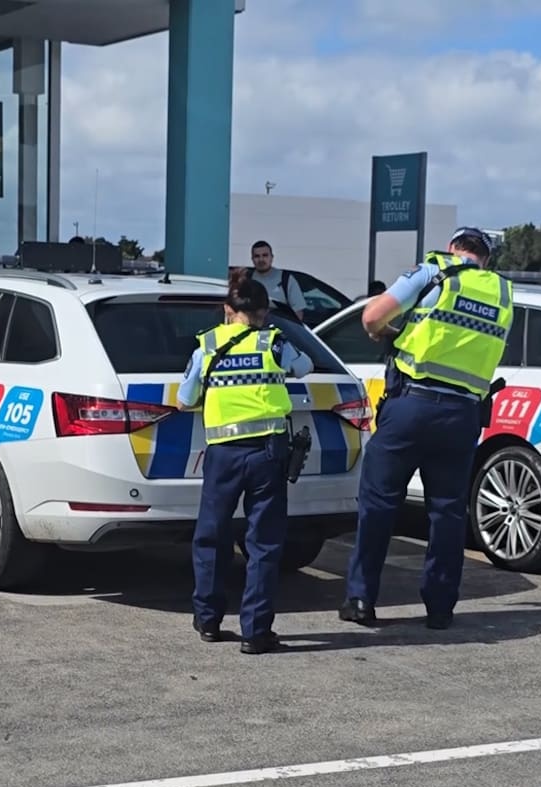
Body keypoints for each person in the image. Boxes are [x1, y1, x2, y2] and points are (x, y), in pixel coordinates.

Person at [339, 227, 511, 630]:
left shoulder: (434, 271)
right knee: (447, 513)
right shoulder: (503, 293)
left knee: (379, 505)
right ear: (484, 258)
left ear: (454, 249)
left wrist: (384, 334)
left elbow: (372, 316)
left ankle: (361, 598)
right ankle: (440, 608)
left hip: (412, 405)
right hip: (463, 413)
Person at [176, 278, 312, 654]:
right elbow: (305, 366)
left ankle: (207, 620)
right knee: (263, 542)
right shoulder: (274, 343)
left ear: (227, 310)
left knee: (212, 536)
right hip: (268, 453)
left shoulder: (207, 345)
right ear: (264, 312)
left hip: (222, 454)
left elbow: (185, 398)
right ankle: (256, 631)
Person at [249, 240, 306, 320]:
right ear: (252, 259)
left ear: (272, 257)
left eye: (265, 255)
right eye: (257, 256)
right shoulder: (247, 280)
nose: (261, 259)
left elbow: (298, 312)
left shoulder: (285, 279)